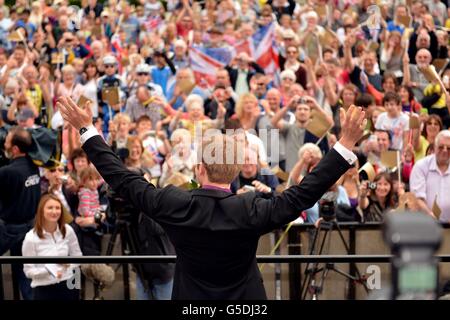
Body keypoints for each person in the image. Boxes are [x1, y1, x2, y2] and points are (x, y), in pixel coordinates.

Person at [57, 96, 365, 300]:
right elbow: (303, 192)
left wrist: (87, 129)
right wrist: (345, 145)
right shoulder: (251, 208)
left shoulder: (174, 202)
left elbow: (122, 179)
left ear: (198, 169)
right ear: (233, 173)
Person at [0, 127, 41, 300]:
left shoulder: (7, 172)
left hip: (11, 229)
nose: (4, 143)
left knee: (24, 272)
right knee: (25, 274)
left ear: (15, 149)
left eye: (7, 141)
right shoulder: (34, 165)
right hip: (29, 227)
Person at [22, 194, 82, 300]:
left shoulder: (68, 230)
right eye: (50, 208)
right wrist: (50, 270)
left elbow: (78, 257)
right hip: (44, 288)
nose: (54, 212)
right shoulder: (30, 237)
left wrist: (68, 264)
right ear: (42, 211)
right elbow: (28, 271)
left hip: (69, 283)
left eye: (57, 208)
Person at [410, 130, 450, 222]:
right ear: (434, 148)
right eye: (441, 147)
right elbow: (418, 198)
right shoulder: (421, 166)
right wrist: (430, 215)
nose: (444, 150)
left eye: (449, 148)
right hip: (426, 224)